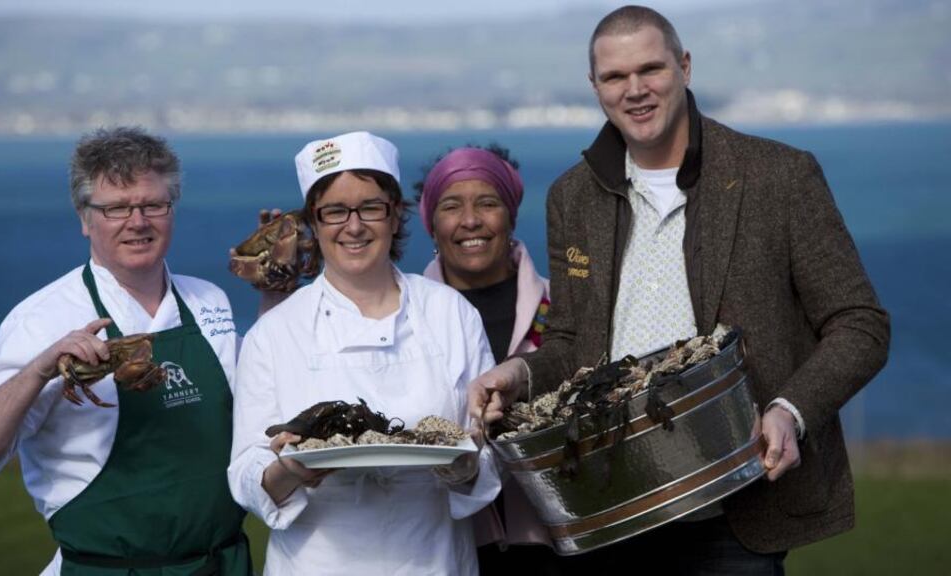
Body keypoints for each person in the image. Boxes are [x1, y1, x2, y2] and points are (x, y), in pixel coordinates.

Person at [468, 5, 890, 574]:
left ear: (685, 67)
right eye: (615, 77)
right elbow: (572, 344)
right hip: (610, 512)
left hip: (737, 513)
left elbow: (860, 324)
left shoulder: (779, 176)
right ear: (595, 87)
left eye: (651, 69)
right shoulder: (571, 197)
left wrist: (791, 410)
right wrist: (516, 374)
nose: (635, 90)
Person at [0, 126, 251, 575]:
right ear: (85, 219)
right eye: (116, 208)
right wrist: (38, 371)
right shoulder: (44, 318)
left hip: (220, 563)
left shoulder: (210, 302)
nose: (138, 221)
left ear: (172, 210)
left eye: (153, 204)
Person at [228, 131, 501, 575]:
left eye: (371, 207)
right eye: (335, 211)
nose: (353, 226)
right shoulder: (274, 334)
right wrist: (291, 471)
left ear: (395, 217)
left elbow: (486, 454)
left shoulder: (450, 313)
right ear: (313, 225)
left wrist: (463, 465)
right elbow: (246, 472)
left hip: (433, 561)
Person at [416, 145, 563, 573]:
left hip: (559, 547)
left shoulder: (563, 309)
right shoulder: (406, 321)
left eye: (487, 202)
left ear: (511, 215)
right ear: (431, 223)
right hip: (446, 546)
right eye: (451, 206)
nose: (470, 221)